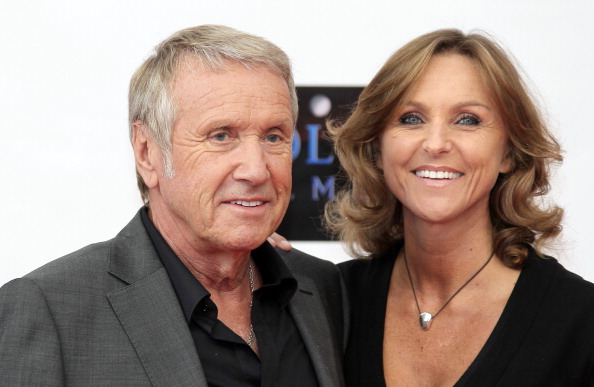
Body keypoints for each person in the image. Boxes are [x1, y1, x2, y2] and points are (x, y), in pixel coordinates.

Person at [0, 25, 347, 387]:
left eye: (273, 136)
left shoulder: (322, 288)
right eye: (221, 136)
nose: (256, 169)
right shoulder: (51, 309)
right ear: (147, 153)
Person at [322, 29, 594, 386]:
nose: (436, 144)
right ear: (377, 149)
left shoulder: (580, 319)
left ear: (508, 152)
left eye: (468, 120)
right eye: (410, 118)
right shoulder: (327, 305)